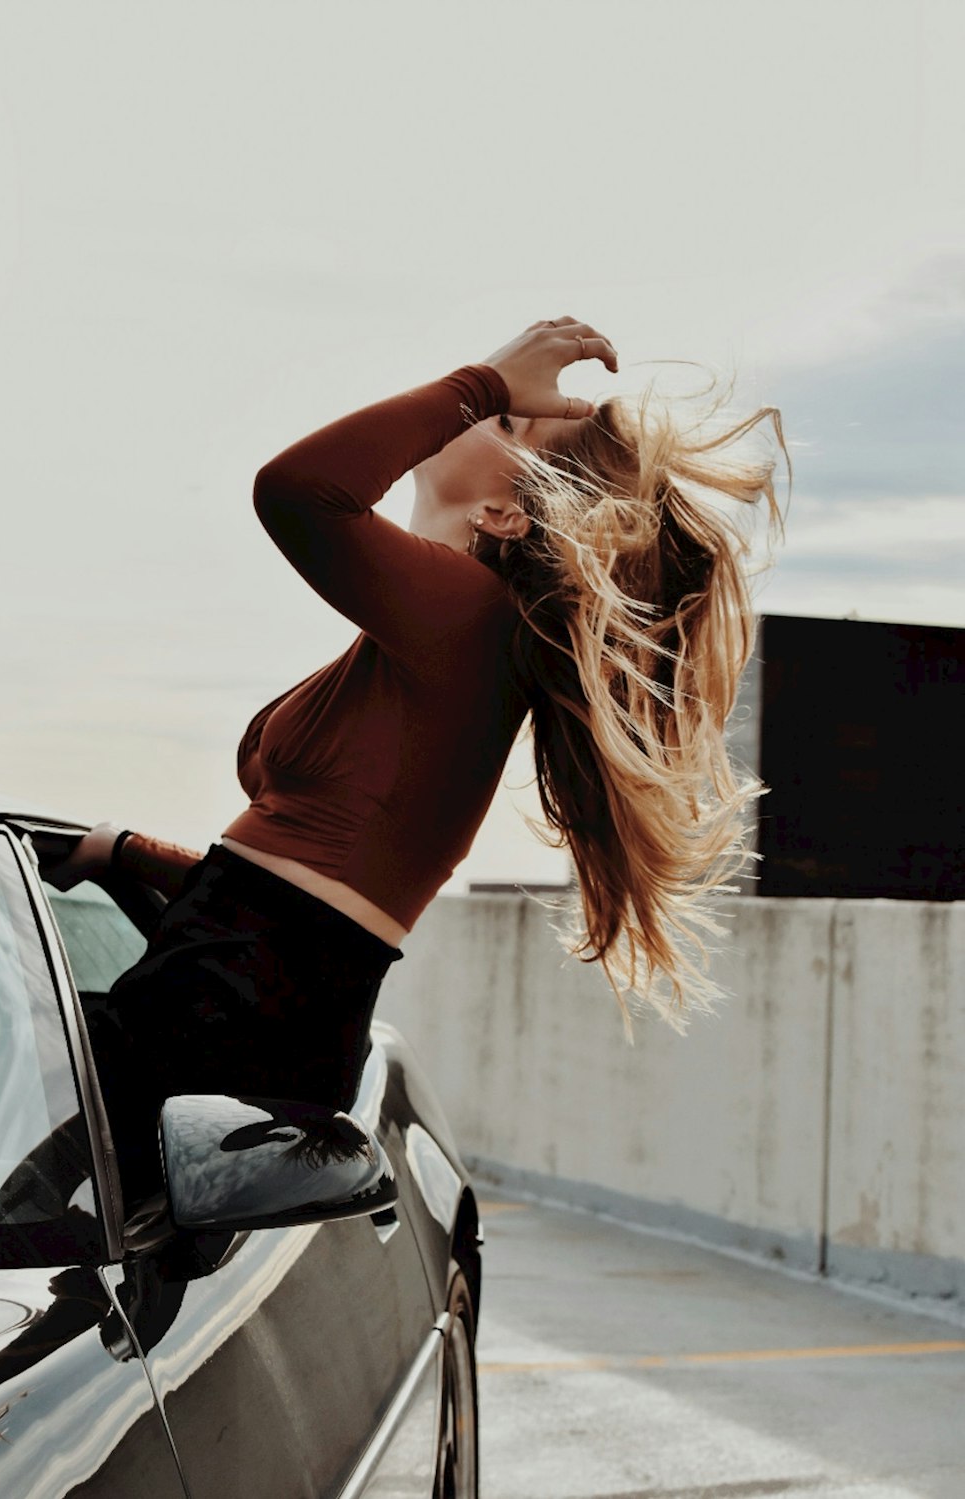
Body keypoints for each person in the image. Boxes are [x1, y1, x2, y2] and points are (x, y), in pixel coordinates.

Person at [46, 317, 785, 1208]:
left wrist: (481, 383)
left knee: (20, 1249)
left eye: (505, 425)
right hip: (243, 1000)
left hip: (229, 1017)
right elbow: (293, 897)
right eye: (498, 409)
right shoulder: (452, 639)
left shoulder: (471, 619)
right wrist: (125, 851)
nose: (475, 413)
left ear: (504, 513)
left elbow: (294, 490)